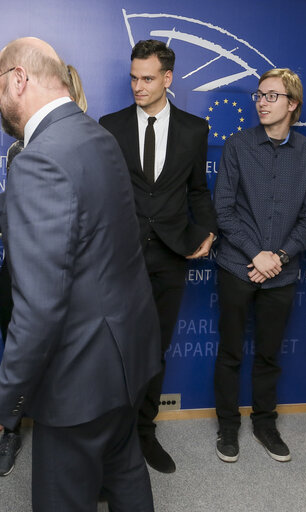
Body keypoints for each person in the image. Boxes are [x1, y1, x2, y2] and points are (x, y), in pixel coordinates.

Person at [0, 37, 160, 511]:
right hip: (128, 354)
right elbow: (27, 204)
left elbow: (41, 306)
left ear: (19, 78)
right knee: (124, 471)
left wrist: (1, 399)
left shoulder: (39, 157)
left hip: (81, 374)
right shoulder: (92, 134)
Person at [99, 39, 216, 474]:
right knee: (114, 350)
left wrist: (208, 232)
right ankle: (115, 436)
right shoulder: (109, 126)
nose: (137, 86)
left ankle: (144, 432)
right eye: (133, 77)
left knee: (155, 350)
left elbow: (199, 192)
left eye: (147, 78)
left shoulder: (194, 129)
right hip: (118, 257)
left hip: (171, 256)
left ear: (168, 78)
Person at [213, 68, 306, 464]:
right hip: (236, 267)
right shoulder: (237, 146)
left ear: (292, 104)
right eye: (259, 95)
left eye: (271, 96)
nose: (261, 101)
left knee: (269, 354)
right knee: (229, 353)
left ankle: (264, 424)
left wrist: (277, 258)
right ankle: (227, 426)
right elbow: (223, 211)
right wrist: (255, 254)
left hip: (282, 273)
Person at [0, 64, 88, 477]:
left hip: (68, 281)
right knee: (16, 351)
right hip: (17, 271)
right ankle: (10, 428)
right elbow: (13, 213)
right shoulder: (20, 149)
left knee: (66, 364)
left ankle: (65, 439)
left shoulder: (88, 147)